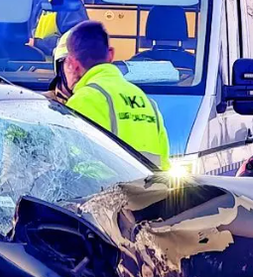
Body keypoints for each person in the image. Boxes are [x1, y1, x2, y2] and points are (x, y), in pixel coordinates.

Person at [61, 20, 171, 169]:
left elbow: (71, 162)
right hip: (151, 191)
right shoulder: (146, 101)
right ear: (111, 54)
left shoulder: (82, 100)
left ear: (72, 63)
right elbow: (165, 165)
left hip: (104, 191)